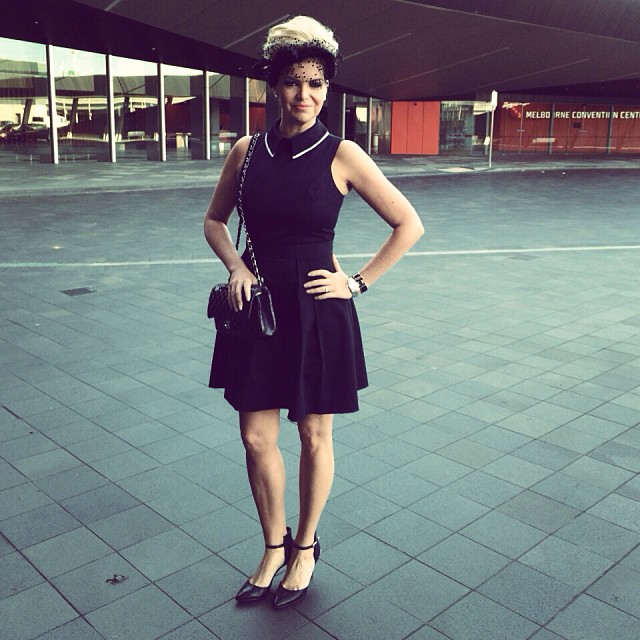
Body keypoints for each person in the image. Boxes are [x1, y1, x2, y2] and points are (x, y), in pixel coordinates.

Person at [204, 15, 424, 609]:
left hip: (316, 309)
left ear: (328, 88)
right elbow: (214, 221)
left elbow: (408, 224)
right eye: (293, 82)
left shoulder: (343, 154)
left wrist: (357, 282)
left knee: (312, 432)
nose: (305, 94)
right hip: (257, 308)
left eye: (316, 84)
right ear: (274, 85)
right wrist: (236, 266)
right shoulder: (247, 151)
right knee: (255, 438)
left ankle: (304, 547)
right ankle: (272, 546)